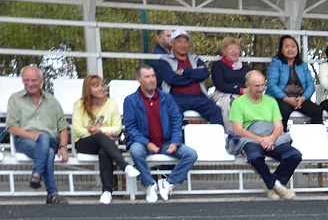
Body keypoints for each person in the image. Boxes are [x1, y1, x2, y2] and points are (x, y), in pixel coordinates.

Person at [122, 64, 197, 203]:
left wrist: (175, 141)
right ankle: (150, 185)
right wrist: (147, 143)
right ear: (138, 79)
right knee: (136, 151)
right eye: (147, 77)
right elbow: (130, 128)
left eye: (153, 76)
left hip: (166, 142)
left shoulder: (166, 97)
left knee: (191, 154)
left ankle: (168, 183)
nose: (152, 80)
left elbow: (176, 120)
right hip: (143, 143)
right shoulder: (130, 101)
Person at [227, 70, 303, 200]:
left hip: (271, 136)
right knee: (255, 157)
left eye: (263, 85)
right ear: (247, 85)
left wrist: (271, 138)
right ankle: (277, 186)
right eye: (257, 86)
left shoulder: (271, 101)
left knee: (294, 155)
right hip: (250, 138)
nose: (261, 88)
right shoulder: (238, 103)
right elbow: (238, 130)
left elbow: (279, 126)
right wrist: (261, 140)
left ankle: (270, 185)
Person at [6, 65, 70, 203]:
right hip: (25, 140)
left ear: (42, 81)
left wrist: (63, 147)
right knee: (49, 152)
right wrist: (34, 136)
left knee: (45, 138)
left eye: (34, 80)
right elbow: (11, 127)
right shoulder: (15, 99)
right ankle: (52, 194)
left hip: (51, 139)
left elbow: (63, 127)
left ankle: (37, 174)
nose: (30, 84)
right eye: (26, 80)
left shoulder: (52, 101)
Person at [149, 28, 223, 127]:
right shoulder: (164, 60)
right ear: (172, 43)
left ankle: (216, 141)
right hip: (176, 98)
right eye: (179, 41)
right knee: (174, 113)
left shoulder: (195, 58)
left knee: (216, 110)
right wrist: (195, 76)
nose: (183, 45)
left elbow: (204, 74)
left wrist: (184, 71)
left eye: (186, 42)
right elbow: (171, 79)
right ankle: (177, 141)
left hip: (198, 98)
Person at [71, 75, 127, 204]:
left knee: (104, 151)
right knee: (100, 137)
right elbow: (78, 130)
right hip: (84, 143)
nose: (101, 89)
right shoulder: (79, 105)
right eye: (96, 86)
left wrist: (99, 131)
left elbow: (118, 128)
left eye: (102, 85)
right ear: (88, 89)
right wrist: (100, 134)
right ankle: (124, 165)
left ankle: (107, 191)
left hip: (105, 144)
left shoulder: (111, 103)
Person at [266, 34, 321, 133]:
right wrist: (286, 99)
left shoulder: (303, 65)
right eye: (286, 46)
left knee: (317, 111)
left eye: (293, 46)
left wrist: (303, 98)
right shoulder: (276, 63)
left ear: (297, 49)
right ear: (281, 49)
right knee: (283, 111)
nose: (290, 49)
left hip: (299, 99)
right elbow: (272, 85)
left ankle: (314, 139)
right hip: (281, 98)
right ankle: (281, 139)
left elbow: (310, 85)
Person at [209, 37, 250, 124]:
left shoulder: (246, 68)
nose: (234, 51)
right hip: (223, 94)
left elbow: (251, 84)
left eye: (237, 48)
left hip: (244, 95)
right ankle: (233, 133)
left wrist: (243, 92)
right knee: (233, 103)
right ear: (224, 51)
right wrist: (241, 90)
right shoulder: (218, 65)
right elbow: (220, 85)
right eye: (230, 48)